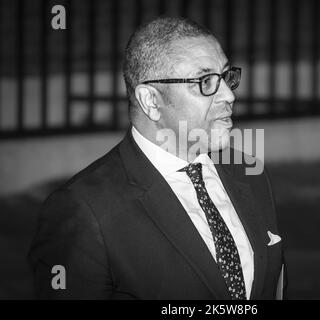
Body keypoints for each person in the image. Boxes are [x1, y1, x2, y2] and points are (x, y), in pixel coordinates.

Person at [28, 17, 286, 300]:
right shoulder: (84, 210)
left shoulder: (248, 173)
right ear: (151, 101)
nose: (228, 95)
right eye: (205, 81)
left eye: (226, 76)